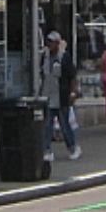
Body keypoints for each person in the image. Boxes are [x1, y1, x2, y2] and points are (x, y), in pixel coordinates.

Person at [33, 31, 79, 162]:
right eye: (48, 41)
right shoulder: (44, 57)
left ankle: (73, 147)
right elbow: (42, 74)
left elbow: (72, 75)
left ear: (58, 43)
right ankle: (47, 150)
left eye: (52, 42)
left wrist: (73, 92)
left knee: (64, 125)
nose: (49, 44)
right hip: (47, 95)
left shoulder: (64, 57)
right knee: (47, 125)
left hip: (61, 95)